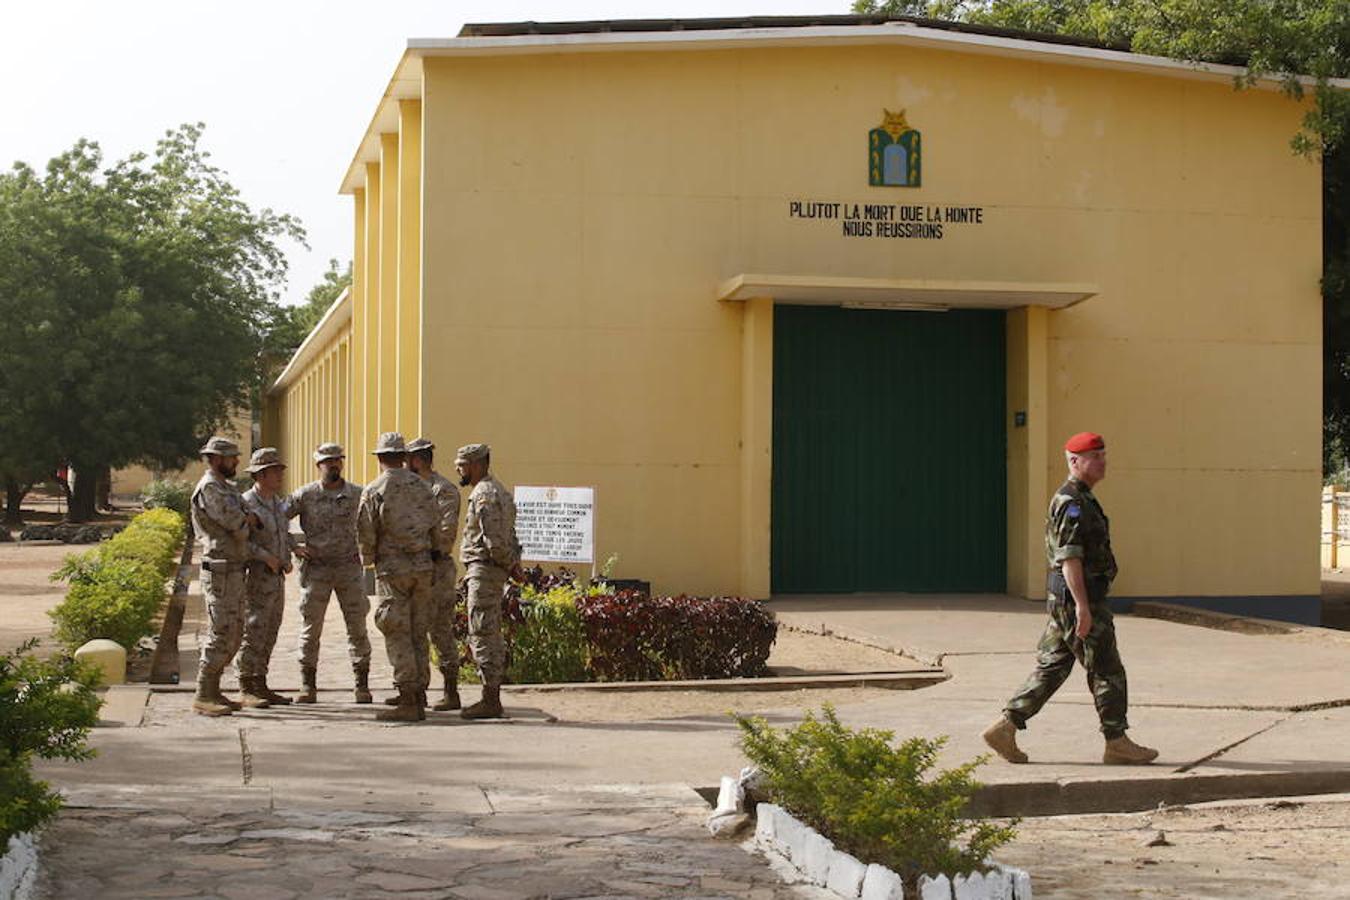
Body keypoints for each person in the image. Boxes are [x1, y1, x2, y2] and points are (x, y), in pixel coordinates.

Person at [983, 432, 1159, 766]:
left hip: (1067, 600)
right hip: (1080, 599)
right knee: (1107, 670)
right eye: (1095, 456)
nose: (1103, 461)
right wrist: (1082, 606)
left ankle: (1005, 727)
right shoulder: (1072, 503)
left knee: (1053, 666)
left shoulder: (1080, 498)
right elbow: (1070, 558)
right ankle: (1117, 741)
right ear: (1075, 461)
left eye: (1104, 454)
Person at [356, 432, 444, 722]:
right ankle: (419, 691)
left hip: (393, 570)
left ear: (380, 458)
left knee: (396, 630)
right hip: (422, 568)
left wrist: (369, 560)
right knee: (418, 630)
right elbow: (437, 527)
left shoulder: (374, 489)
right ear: (404, 457)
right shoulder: (423, 487)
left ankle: (407, 698)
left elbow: (366, 532)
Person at [287, 443, 373, 703]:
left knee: (357, 627)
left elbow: (373, 522)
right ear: (318, 465)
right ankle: (307, 685)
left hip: (348, 568)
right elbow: (276, 518)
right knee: (311, 629)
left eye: (337, 460)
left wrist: (368, 551)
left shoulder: (359, 494)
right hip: (317, 570)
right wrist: (294, 546)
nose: (333, 465)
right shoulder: (305, 495)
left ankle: (362, 685)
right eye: (328, 461)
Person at [454, 443, 522, 720]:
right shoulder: (498, 491)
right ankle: (490, 695)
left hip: (485, 569)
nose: (458, 469)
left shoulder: (484, 495)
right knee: (489, 630)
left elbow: (494, 541)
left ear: (477, 464)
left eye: (462, 464)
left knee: (482, 631)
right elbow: (511, 534)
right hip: (491, 569)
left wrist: (508, 563)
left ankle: (490, 699)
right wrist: (514, 564)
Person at [190, 436, 256, 717]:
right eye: (231, 458)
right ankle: (204, 693)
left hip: (233, 566)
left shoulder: (226, 488)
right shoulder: (209, 488)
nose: (236, 462)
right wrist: (245, 521)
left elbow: (248, 514)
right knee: (220, 630)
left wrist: (246, 519)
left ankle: (214, 690)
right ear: (216, 460)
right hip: (219, 568)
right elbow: (236, 522)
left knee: (235, 630)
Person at [407, 437, 462, 712]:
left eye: (409, 459)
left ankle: (451, 691)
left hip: (437, 570)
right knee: (414, 630)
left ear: (418, 459)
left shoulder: (444, 490)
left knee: (440, 629)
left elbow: (445, 536)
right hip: (415, 570)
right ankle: (417, 690)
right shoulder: (411, 489)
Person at [236, 448, 294, 709]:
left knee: (271, 630)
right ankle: (246, 684)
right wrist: (265, 557)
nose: (280, 475)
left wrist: (289, 553)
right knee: (255, 629)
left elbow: (283, 533)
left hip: (277, 577)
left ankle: (261, 682)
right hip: (258, 577)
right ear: (261, 474)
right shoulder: (246, 503)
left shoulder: (275, 502)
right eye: (275, 471)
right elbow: (239, 542)